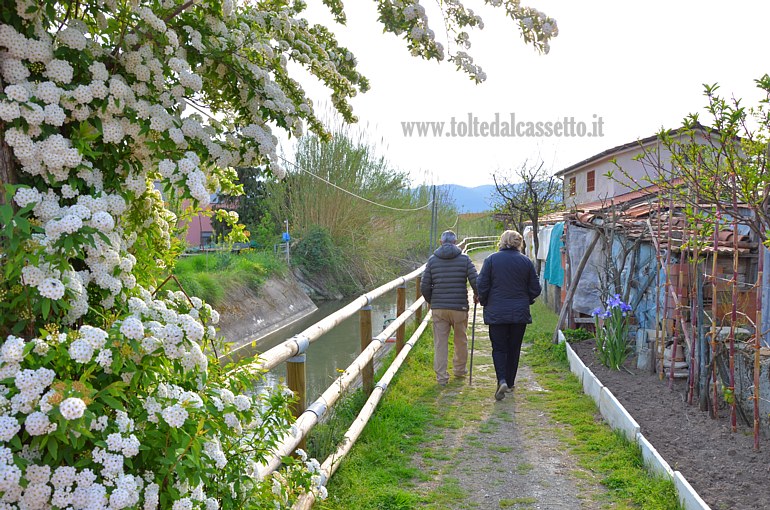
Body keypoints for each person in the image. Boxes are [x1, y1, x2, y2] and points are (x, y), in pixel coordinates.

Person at [477, 230, 541, 400]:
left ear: (502, 241)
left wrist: (484, 301)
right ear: (518, 243)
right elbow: (536, 288)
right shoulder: (526, 262)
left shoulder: (491, 260)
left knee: (499, 348)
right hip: (519, 312)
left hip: (497, 312)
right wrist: (526, 299)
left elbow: (481, 286)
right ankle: (510, 382)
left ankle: (502, 379)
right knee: (514, 348)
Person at [421, 230, 478, 386]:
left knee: (440, 343)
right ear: (455, 242)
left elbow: (424, 285)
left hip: (439, 308)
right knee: (461, 340)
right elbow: (475, 280)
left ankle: (441, 377)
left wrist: (432, 301)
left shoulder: (432, 260)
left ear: (441, 242)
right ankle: (459, 371)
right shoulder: (465, 259)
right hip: (459, 307)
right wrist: (478, 295)